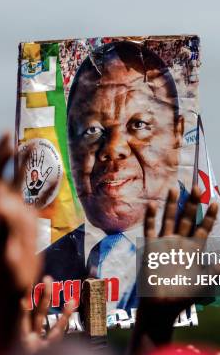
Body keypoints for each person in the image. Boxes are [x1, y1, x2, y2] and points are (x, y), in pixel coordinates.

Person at [42, 41, 197, 312]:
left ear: (177, 134)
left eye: (138, 125)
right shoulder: (40, 270)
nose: (113, 149)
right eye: (91, 130)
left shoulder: (207, 251)